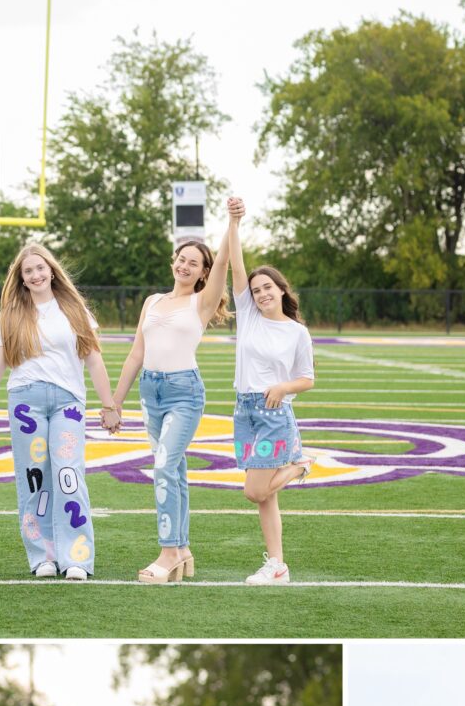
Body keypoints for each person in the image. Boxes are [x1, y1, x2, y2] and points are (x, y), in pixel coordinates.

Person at [109, 194, 246, 583]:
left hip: (184, 392)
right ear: (174, 262)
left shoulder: (202, 302)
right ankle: (183, 549)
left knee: (164, 466)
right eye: (182, 259)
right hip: (150, 393)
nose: (186, 266)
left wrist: (232, 222)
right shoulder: (152, 301)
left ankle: (168, 553)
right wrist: (115, 402)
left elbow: (223, 261)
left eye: (194, 263)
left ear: (202, 273)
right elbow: (136, 353)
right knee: (176, 470)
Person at [0, 246, 119, 580]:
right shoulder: (11, 314)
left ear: (51, 270)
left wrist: (109, 406)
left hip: (68, 402)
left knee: (68, 474)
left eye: (40, 268)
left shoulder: (74, 309)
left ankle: (76, 556)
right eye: (28, 272)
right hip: (25, 404)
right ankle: (43, 557)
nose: (35, 275)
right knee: (34, 479)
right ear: (21, 280)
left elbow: (93, 359)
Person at [225, 221, 317, 585]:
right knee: (266, 499)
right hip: (244, 412)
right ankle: (277, 565)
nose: (261, 294)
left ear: (282, 290)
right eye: (256, 289)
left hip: (274, 413)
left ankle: (300, 466)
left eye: (268, 288)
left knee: (255, 491)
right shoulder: (247, 315)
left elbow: (307, 378)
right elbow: (235, 265)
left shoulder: (297, 332)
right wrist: (234, 224)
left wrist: (282, 387)